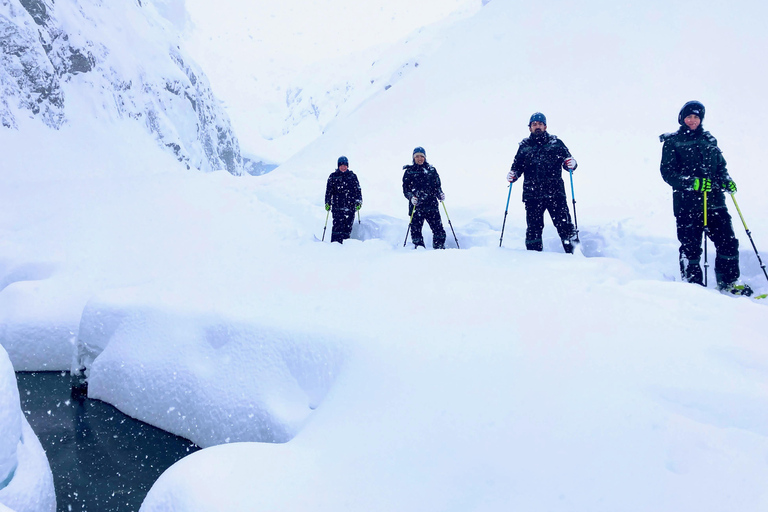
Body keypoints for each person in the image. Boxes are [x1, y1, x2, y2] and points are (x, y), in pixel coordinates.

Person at [660, 100, 752, 295]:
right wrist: (691, 182)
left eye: (696, 117)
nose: (692, 120)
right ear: (682, 118)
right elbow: (667, 173)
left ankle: (729, 282)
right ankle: (693, 288)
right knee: (691, 247)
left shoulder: (709, 140)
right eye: (689, 116)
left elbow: (720, 166)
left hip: (715, 203)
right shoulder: (672, 142)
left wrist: (726, 180)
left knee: (728, 242)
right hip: (687, 205)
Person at [506, 112, 578, 253]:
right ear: (530, 128)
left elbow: (568, 161)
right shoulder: (524, 147)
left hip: (555, 193)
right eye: (534, 124)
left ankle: (575, 253)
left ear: (545, 126)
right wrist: (513, 175)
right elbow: (517, 167)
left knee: (565, 227)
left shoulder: (556, 143)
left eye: (540, 124)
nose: (537, 126)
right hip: (532, 195)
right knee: (533, 229)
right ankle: (534, 258)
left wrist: (572, 164)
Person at [402, 147, 446, 249]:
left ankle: (439, 250)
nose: (419, 158)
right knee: (416, 231)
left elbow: (437, 186)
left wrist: (440, 194)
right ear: (413, 158)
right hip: (416, 207)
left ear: (425, 157)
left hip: (431, 205)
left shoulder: (431, 170)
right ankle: (419, 251)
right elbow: (405, 190)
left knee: (438, 230)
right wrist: (411, 197)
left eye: (421, 156)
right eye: (417, 156)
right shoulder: (409, 172)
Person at [324, 156, 362, 244]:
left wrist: (359, 201)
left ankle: (345, 248)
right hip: (337, 208)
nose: (343, 167)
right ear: (338, 166)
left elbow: (358, 190)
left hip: (350, 208)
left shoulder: (352, 176)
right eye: (341, 165)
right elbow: (328, 192)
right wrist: (327, 202)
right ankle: (334, 246)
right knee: (337, 229)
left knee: (347, 229)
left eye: (345, 165)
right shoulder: (333, 177)